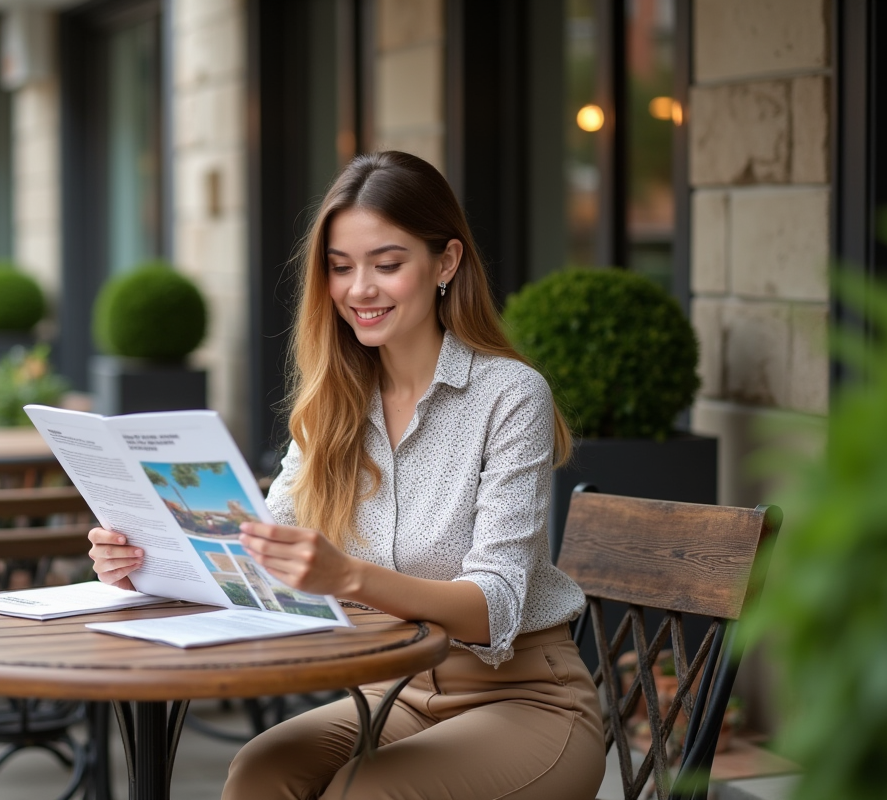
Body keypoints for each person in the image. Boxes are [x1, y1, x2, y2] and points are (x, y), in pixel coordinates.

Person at [88, 151, 605, 799]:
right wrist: (144, 554)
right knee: (258, 772)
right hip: (394, 695)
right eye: (340, 267)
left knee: (362, 794)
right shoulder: (336, 400)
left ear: (445, 263)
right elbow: (259, 543)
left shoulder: (509, 396)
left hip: (524, 699)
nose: (360, 288)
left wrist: (349, 577)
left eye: (387, 264)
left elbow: (494, 605)